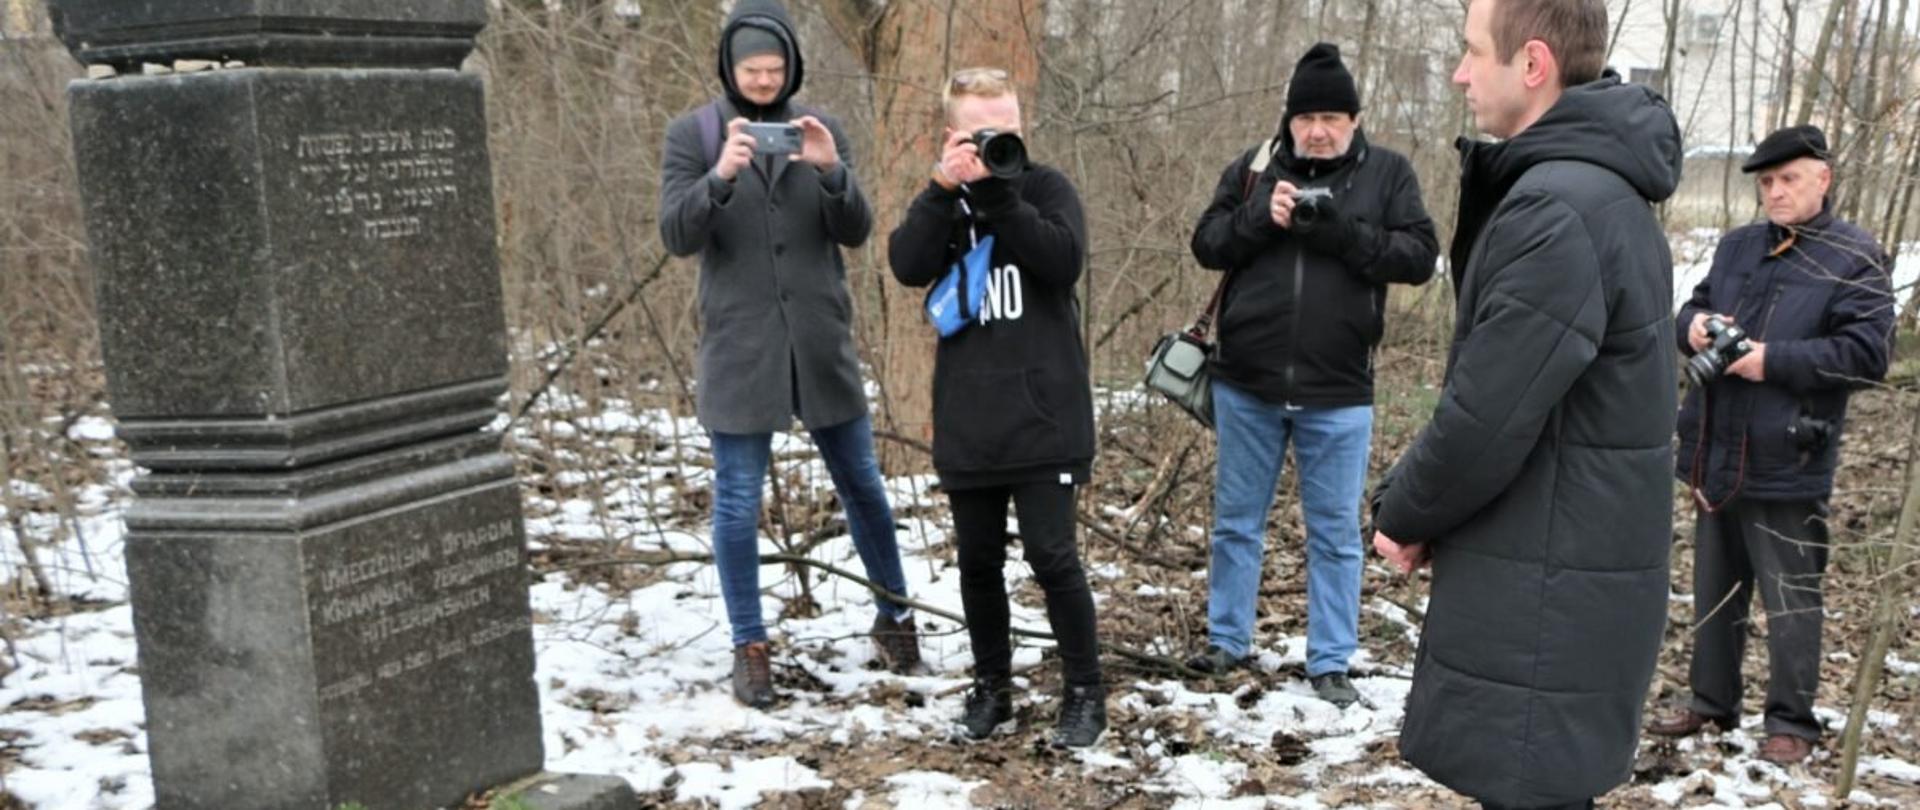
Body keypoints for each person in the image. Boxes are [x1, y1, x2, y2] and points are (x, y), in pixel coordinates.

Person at [1368, 0, 1682, 806]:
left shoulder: (1561, 209)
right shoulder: (1598, 195)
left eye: (1474, 53)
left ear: (1533, 64)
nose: (1460, 73)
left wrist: (1405, 513)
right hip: (1564, 564)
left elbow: (1487, 416)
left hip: (1549, 586)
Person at [657, 0, 919, 709]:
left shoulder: (820, 129)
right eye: (752, 69)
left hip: (819, 342)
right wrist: (718, 177)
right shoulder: (695, 134)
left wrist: (834, 172)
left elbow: (857, 229)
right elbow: (676, 236)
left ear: (791, 68)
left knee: (862, 483)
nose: (765, 80)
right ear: (729, 67)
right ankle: (751, 646)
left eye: (776, 69)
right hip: (741, 350)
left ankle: (896, 617)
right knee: (738, 501)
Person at [1184, 42, 1439, 708]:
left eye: (1332, 116)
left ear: (1354, 120)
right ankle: (1226, 642)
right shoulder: (1254, 169)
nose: (1318, 130)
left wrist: (1343, 234)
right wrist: (1256, 220)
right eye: (1306, 117)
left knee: (1333, 533)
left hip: (1339, 391)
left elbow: (1419, 256)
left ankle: (1330, 662)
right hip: (1247, 385)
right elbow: (1206, 243)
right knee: (1237, 523)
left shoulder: (1388, 174)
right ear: (1288, 120)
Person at [1647, 124, 1894, 764]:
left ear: (1823, 178)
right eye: (1766, 183)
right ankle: (1711, 701)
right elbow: (1688, 311)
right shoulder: (1737, 247)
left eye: (1788, 180)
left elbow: (1868, 356)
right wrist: (1695, 328)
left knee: (1792, 599)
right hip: (1715, 448)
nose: (1776, 193)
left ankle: (1791, 721)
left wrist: (1770, 360)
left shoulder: (1855, 255)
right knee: (1714, 587)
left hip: (1791, 454)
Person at [887, 67, 1106, 748]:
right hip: (970, 420)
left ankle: (1083, 693)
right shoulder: (944, 200)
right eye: (980, 130)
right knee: (978, 563)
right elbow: (905, 263)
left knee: (1052, 557)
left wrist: (1001, 194)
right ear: (953, 131)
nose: (994, 140)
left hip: (1046, 416)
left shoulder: (1046, 188)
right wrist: (942, 188)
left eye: (1005, 127)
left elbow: (1061, 260)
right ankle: (992, 689)